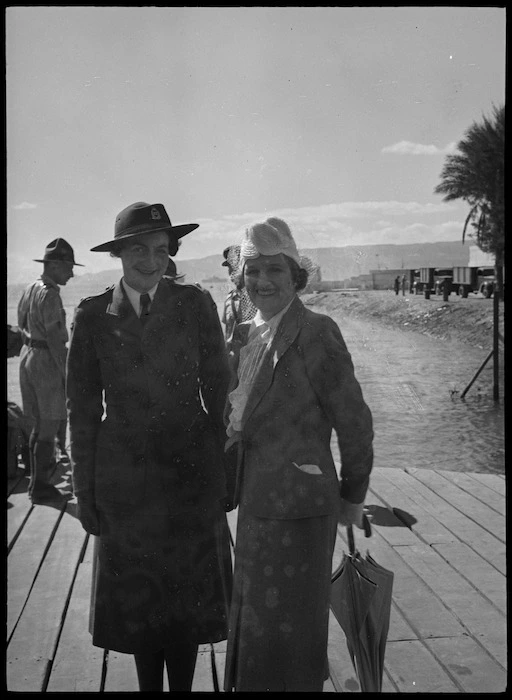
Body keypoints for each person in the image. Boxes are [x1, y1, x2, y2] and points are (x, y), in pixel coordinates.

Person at [66, 201, 233, 692]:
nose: (151, 260)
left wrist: (228, 470)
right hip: (126, 481)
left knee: (187, 600)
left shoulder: (196, 304)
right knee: (140, 603)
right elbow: (81, 413)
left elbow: (221, 394)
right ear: (119, 253)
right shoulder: (93, 316)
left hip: (190, 475)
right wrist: (85, 492)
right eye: (138, 248)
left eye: (161, 249)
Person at [223, 217, 374, 692]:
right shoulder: (246, 333)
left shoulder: (316, 331)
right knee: (253, 618)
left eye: (274, 270)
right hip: (254, 501)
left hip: (301, 508)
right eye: (253, 271)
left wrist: (352, 496)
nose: (262, 281)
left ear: (295, 277)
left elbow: (354, 422)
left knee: (294, 630)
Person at [17, 238, 82, 504]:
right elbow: (57, 341)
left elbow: (21, 324)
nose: (72, 272)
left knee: (37, 425)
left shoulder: (30, 288)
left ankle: (36, 484)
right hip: (46, 361)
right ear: (55, 265)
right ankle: (41, 487)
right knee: (50, 426)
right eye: (68, 266)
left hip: (28, 357)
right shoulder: (51, 294)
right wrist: (68, 375)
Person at [221, 245, 257, 349]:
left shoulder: (257, 298)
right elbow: (227, 332)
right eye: (229, 267)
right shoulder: (230, 298)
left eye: (234, 266)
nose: (231, 272)